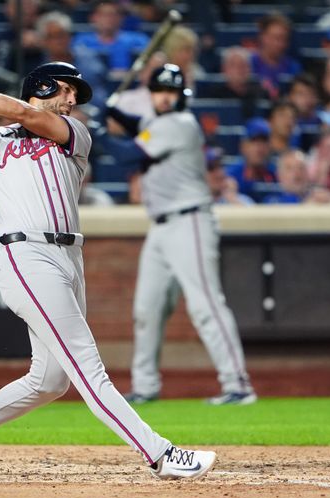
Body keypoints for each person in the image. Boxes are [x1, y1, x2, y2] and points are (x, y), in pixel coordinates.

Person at [0, 61, 217, 479]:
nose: (73, 99)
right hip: (26, 255)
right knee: (87, 366)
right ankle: (160, 454)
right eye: (66, 89)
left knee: (50, 380)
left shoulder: (73, 133)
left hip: (69, 257)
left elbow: (24, 113)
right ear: (40, 85)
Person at [106, 64, 256, 406]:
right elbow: (138, 128)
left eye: (171, 91)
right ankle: (145, 386)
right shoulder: (156, 123)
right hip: (160, 227)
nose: (165, 96)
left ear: (181, 96)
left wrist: (98, 131)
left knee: (205, 305)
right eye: (159, 90)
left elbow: (129, 153)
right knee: (148, 308)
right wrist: (114, 112)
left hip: (190, 223)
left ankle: (238, 385)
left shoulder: (182, 124)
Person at [202, 47, 265, 121]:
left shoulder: (261, 93)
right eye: (234, 65)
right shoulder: (212, 95)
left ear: (250, 69)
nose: (240, 69)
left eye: (244, 65)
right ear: (224, 69)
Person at [250, 13, 302, 100]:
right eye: (275, 38)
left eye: (284, 39)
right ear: (263, 37)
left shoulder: (294, 67)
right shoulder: (249, 63)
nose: (279, 44)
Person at [225, 118, 277, 198]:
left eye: (264, 142)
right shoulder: (230, 177)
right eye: (254, 142)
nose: (260, 148)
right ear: (243, 146)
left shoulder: (277, 176)